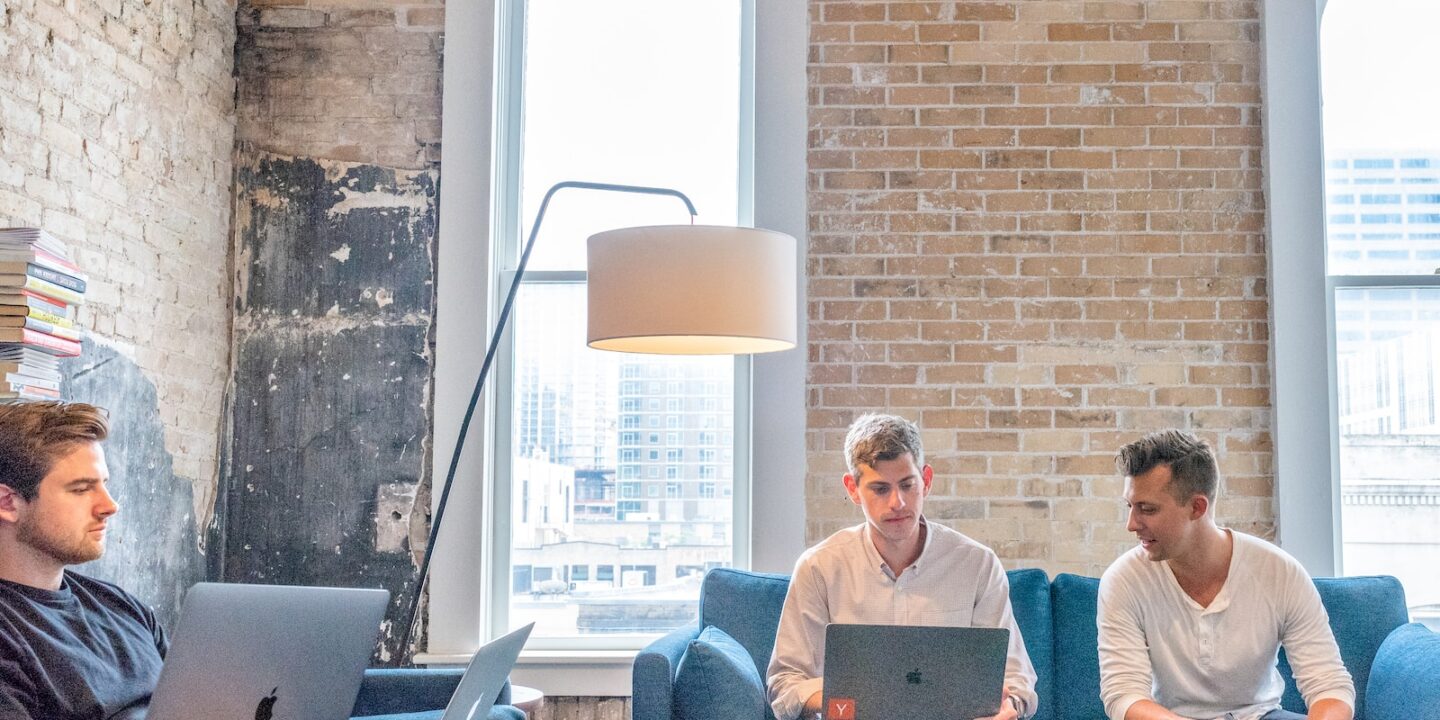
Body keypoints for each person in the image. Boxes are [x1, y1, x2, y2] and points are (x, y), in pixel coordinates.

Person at [766, 413, 1038, 720]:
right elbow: (785, 685)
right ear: (853, 489)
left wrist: (1008, 708)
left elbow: (1017, 682)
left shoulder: (977, 565)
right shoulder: (819, 568)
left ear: (927, 481)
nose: (898, 502)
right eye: (881, 489)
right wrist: (854, 697)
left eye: (908, 485)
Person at [1097, 429, 1354, 720]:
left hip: (1261, 716)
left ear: (1197, 507)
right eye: (1130, 506)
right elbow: (1124, 696)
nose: (1132, 524)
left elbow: (1329, 684)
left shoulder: (1280, 572)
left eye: (1147, 509)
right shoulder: (1123, 580)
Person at [0, 401, 166, 719]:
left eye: (104, 484)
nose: (109, 505)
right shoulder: (8, 637)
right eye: (81, 489)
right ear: (8, 503)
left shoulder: (126, 609)